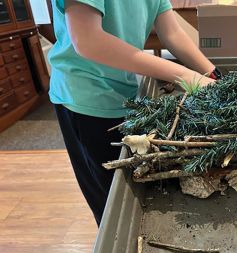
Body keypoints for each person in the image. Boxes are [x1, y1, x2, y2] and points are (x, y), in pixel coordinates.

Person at [49, 0, 218, 226]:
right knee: (111, 198)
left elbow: (172, 32)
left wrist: (213, 74)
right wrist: (185, 76)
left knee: (135, 184)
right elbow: (88, 41)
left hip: (125, 93)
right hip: (86, 100)